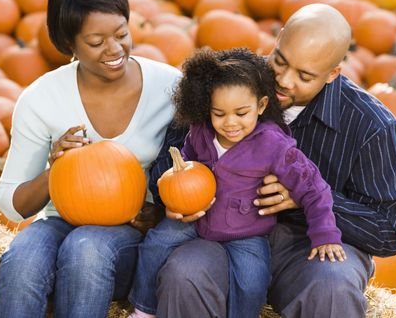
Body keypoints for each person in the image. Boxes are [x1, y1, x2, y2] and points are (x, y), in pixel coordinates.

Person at [151, 4, 396, 317]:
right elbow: (165, 164)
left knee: (333, 286)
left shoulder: (371, 125)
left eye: (304, 75)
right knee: (184, 272)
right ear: (279, 39)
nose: (285, 80)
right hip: (220, 235)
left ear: (333, 73)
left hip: (308, 245)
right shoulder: (227, 82)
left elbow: (386, 232)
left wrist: (305, 197)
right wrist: (175, 193)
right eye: (280, 61)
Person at [0, 0, 182, 318]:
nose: (114, 49)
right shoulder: (41, 99)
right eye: (96, 42)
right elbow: (11, 205)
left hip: (132, 229)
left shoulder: (171, 88)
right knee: (22, 261)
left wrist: (159, 209)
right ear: (69, 45)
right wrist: (55, 170)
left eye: (122, 34)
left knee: (86, 248)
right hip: (61, 219)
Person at [128, 48, 346, 318]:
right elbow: (187, 159)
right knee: (155, 244)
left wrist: (324, 233)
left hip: (247, 232)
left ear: (261, 105)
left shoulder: (274, 145)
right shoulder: (201, 131)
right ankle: (144, 309)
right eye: (219, 114)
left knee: (252, 281)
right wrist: (177, 180)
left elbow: (313, 188)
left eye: (242, 113)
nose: (230, 123)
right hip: (197, 219)